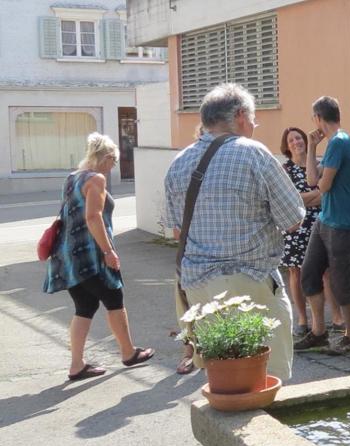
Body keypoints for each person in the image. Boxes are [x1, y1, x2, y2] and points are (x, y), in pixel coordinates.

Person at [163, 83, 304, 382]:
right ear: (240, 115)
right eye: (253, 118)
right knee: (266, 377)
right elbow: (293, 218)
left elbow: (178, 231)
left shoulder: (178, 162)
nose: (254, 125)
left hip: (198, 288)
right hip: (249, 282)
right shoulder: (253, 153)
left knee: (225, 378)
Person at [44, 132, 154, 380]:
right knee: (114, 298)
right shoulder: (96, 180)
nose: (113, 167)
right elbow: (92, 217)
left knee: (85, 305)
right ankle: (128, 353)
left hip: (66, 255)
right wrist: (108, 252)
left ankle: (76, 365)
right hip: (90, 255)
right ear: (106, 158)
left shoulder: (72, 178)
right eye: (113, 162)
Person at [293, 96, 350, 354]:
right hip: (326, 220)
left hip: (344, 222)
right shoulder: (333, 143)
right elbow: (312, 178)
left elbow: (323, 185)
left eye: (314, 119)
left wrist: (308, 192)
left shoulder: (340, 142)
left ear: (318, 118)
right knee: (309, 274)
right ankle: (319, 332)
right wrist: (311, 146)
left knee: (340, 282)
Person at [279, 126, 344, 337]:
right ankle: (302, 318)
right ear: (286, 147)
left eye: (298, 138)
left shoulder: (319, 164)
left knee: (326, 271)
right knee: (295, 273)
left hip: (321, 223)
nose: (296, 142)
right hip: (296, 227)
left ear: (305, 142)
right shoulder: (284, 170)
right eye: (291, 141)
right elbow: (289, 199)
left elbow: (328, 194)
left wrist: (305, 197)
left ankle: (336, 316)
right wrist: (315, 194)